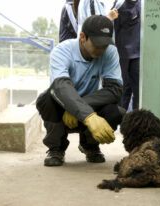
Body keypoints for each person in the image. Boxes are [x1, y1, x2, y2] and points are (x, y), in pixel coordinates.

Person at [36, 15, 125, 167]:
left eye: (105, 45)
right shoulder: (62, 51)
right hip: (61, 108)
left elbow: (115, 90)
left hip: (87, 105)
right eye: (97, 44)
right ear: (83, 37)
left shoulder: (110, 52)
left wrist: (80, 107)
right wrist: (88, 116)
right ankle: (56, 148)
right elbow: (60, 86)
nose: (101, 49)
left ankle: (89, 145)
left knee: (115, 111)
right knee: (47, 99)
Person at [112, 0, 141, 110]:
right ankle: (120, 121)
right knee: (123, 91)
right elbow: (113, 28)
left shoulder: (143, 4)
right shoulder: (119, 5)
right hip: (123, 54)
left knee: (137, 91)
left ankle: (135, 121)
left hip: (137, 54)